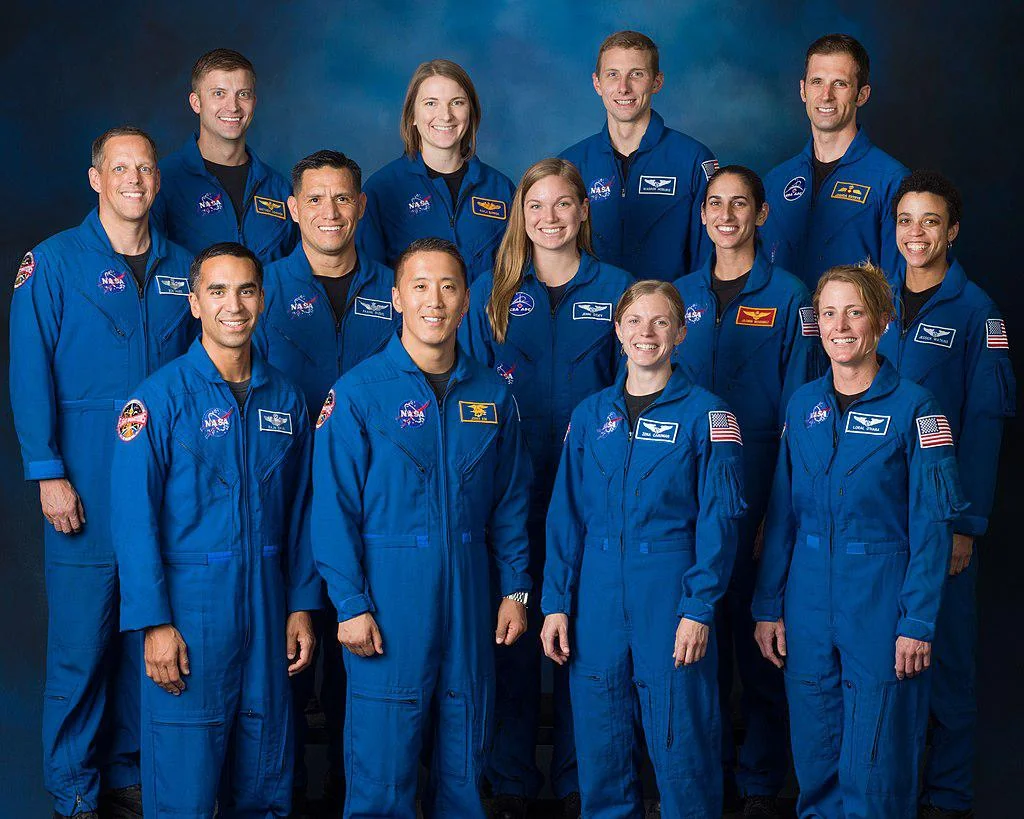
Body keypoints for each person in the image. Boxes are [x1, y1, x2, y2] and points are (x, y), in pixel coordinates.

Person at [9, 126, 195, 819]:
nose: (135, 180)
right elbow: (30, 374)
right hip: (84, 478)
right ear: (97, 178)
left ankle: (126, 770)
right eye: (120, 168)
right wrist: (47, 470)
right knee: (83, 644)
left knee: (146, 633)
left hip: (166, 487)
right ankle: (73, 786)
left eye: (145, 168)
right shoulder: (53, 264)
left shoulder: (184, 267)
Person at [312, 237, 532, 818]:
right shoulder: (358, 393)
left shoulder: (491, 393)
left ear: (466, 303)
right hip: (388, 591)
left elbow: (511, 500)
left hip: (470, 586)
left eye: (448, 286)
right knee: (384, 753)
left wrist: (515, 588)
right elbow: (333, 508)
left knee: (467, 745)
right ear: (396, 298)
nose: (434, 300)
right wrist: (350, 602)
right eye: (420, 285)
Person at [111, 242, 320, 817]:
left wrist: (301, 607)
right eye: (218, 291)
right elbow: (133, 524)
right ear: (194, 302)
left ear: (263, 298)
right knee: (185, 790)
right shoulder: (155, 401)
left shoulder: (287, 400)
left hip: (270, 605)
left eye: (247, 290)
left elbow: (305, 512)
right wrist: (154, 624)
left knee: (267, 780)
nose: (235, 305)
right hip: (190, 614)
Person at [753, 262, 967, 818]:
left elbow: (932, 526)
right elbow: (781, 515)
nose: (840, 326)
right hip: (806, 599)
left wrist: (917, 622)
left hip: (880, 597)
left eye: (854, 312)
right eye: (828, 313)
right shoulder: (802, 406)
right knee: (816, 749)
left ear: (882, 321)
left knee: (877, 759)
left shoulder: (918, 410)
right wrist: (768, 606)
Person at [460, 158, 633, 819]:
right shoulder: (492, 294)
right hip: (509, 490)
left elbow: (633, 389)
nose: (551, 217)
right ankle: (510, 780)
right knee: (510, 635)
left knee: (583, 639)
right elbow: (468, 394)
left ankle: (574, 777)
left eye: (564, 204)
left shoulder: (617, 290)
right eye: (537, 206)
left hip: (593, 495)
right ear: (521, 215)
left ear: (583, 212)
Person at [541, 280, 746, 819]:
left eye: (660, 323)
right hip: (598, 590)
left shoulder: (709, 415)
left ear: (681, 333)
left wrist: (699, 607)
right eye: (634, 321)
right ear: (617, 330)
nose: (646, 333)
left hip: (670, 586)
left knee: (683, 739)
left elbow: (720, 519)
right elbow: (566, 514)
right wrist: (556, 601)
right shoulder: (590, 416)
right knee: (600, 737)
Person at [254, 148, 397, 809]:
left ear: (362, 206)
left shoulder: (395, 290)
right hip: (278, 499)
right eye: (316, 199)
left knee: (359, 668)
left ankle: (350, 797)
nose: (330, 212)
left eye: (343, 198)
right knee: (278, 665)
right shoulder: (263, 290)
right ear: (293, 209)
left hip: (372, 507)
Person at [673, 165, 816, 817]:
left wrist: (777, 515)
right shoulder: (677, 298)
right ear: (701, 215)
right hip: (683, 499)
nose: (725, 214)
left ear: (761, 214)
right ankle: (701, 781)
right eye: (714, 204)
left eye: (740, 204)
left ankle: (759, 785)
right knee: (691, 646)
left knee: (759, 645)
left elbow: (804, 418)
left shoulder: (790, 298)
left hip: (761, 490)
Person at [877, 171, 1015, 819]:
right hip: (877, 519)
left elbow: (985, 425)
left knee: (948, 664)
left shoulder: (976, 312)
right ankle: (895, 793)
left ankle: (949, 799)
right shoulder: (870, 300)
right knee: (885, 663)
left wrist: (966, 522)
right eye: (906, 220)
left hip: (942, 518)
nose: (916, 234)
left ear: (952, 230)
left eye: (930, 221)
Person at [559, 30, 717, 281]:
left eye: (637, 74)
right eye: (613, 75)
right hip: (591, 315)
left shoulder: (693, 160)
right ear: (597, 83)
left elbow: (710, 261)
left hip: (666, 316)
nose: (624, 88)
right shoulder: (570, 165)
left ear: (657, 82)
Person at [761, 34, 908, 291]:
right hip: (787, 331)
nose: (826, 95)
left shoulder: (892, 181)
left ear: (862, 95)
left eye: (839, 84)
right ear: (802, 89)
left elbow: (901, 286)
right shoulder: (775, 181)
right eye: (817, 82)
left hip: (853, 330)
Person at [357, 59, 514, 283]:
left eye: (457, 102)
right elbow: (371, 281)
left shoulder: (500, 189)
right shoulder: (380, 190)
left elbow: (517, 274)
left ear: (472, 113)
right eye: (431, 103)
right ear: (412, 115)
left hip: (487, 318)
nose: (446, 115)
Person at [151, 48, 298, 263]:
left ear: (254, 102)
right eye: (219, 93)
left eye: (243, 94)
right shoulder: (161, 183)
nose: (233, 106)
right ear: (196, 102)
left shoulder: (279, 190)